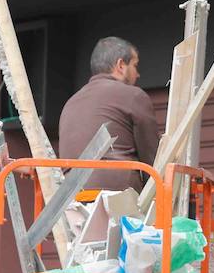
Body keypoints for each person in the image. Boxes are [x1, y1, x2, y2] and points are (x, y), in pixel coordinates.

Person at [59, 36, 159, 192]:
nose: (137, 74)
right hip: (117, 193)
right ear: (120, 65)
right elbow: (153, 159)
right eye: (135, 65)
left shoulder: (70, 102)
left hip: (71, 197)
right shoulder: (133, 95)